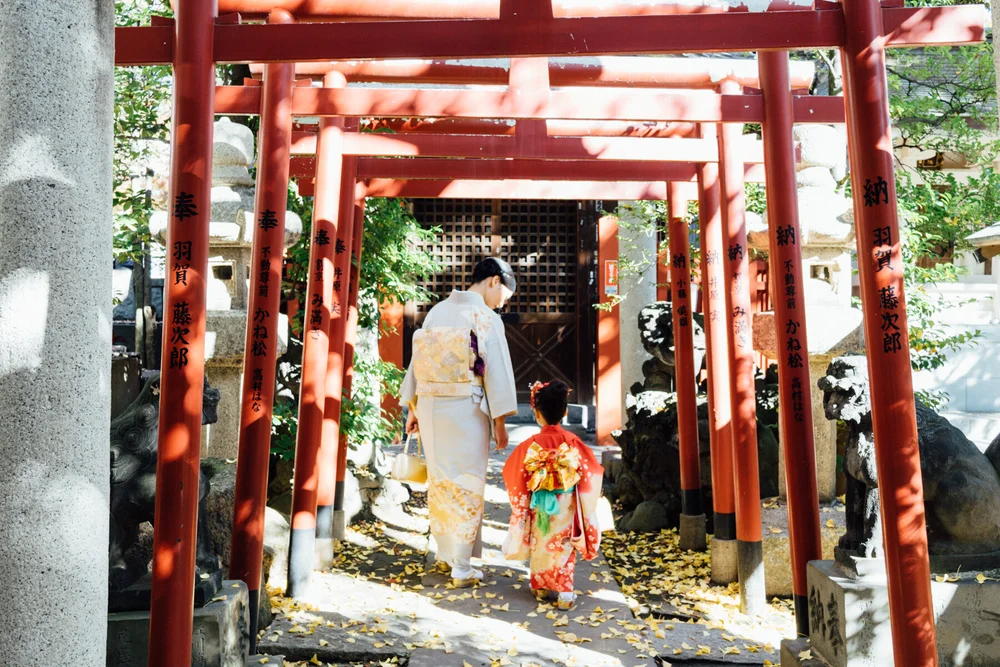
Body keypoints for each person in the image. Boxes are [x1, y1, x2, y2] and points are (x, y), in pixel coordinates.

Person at [400, 257, 519, 587]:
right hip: (467, 407)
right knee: (467, 481)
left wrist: (413, 409)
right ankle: (462, 567)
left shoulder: (438, 310)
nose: (502, 304)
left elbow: (419, 361)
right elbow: (495, 372)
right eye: (504, 297)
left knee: (441, 480)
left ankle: (446, 553)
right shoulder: (486, 317)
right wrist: (500, 422)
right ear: (494, 281)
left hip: (430, 405)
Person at [501, 381, 604, 611]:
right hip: (566, 504)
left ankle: (540, 587)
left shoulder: (530, 444)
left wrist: (523, 500)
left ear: (536, 414)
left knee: (541, 542)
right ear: (565, 412)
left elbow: (511, 471)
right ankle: (565, 593)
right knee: (564, 545)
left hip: (539, 502)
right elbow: (592, 471)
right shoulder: (573, 442)